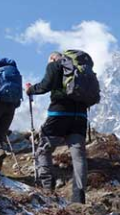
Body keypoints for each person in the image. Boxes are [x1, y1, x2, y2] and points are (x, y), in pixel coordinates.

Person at [26, 52, 89, 204]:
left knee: (44, 149)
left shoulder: (55, 65)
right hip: (80, 116)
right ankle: (78, 198)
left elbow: (45, 86)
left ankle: (47, 189)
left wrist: (30, 89)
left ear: (53, 58)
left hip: (59, 113)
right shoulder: (82, 70)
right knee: (79, 156)